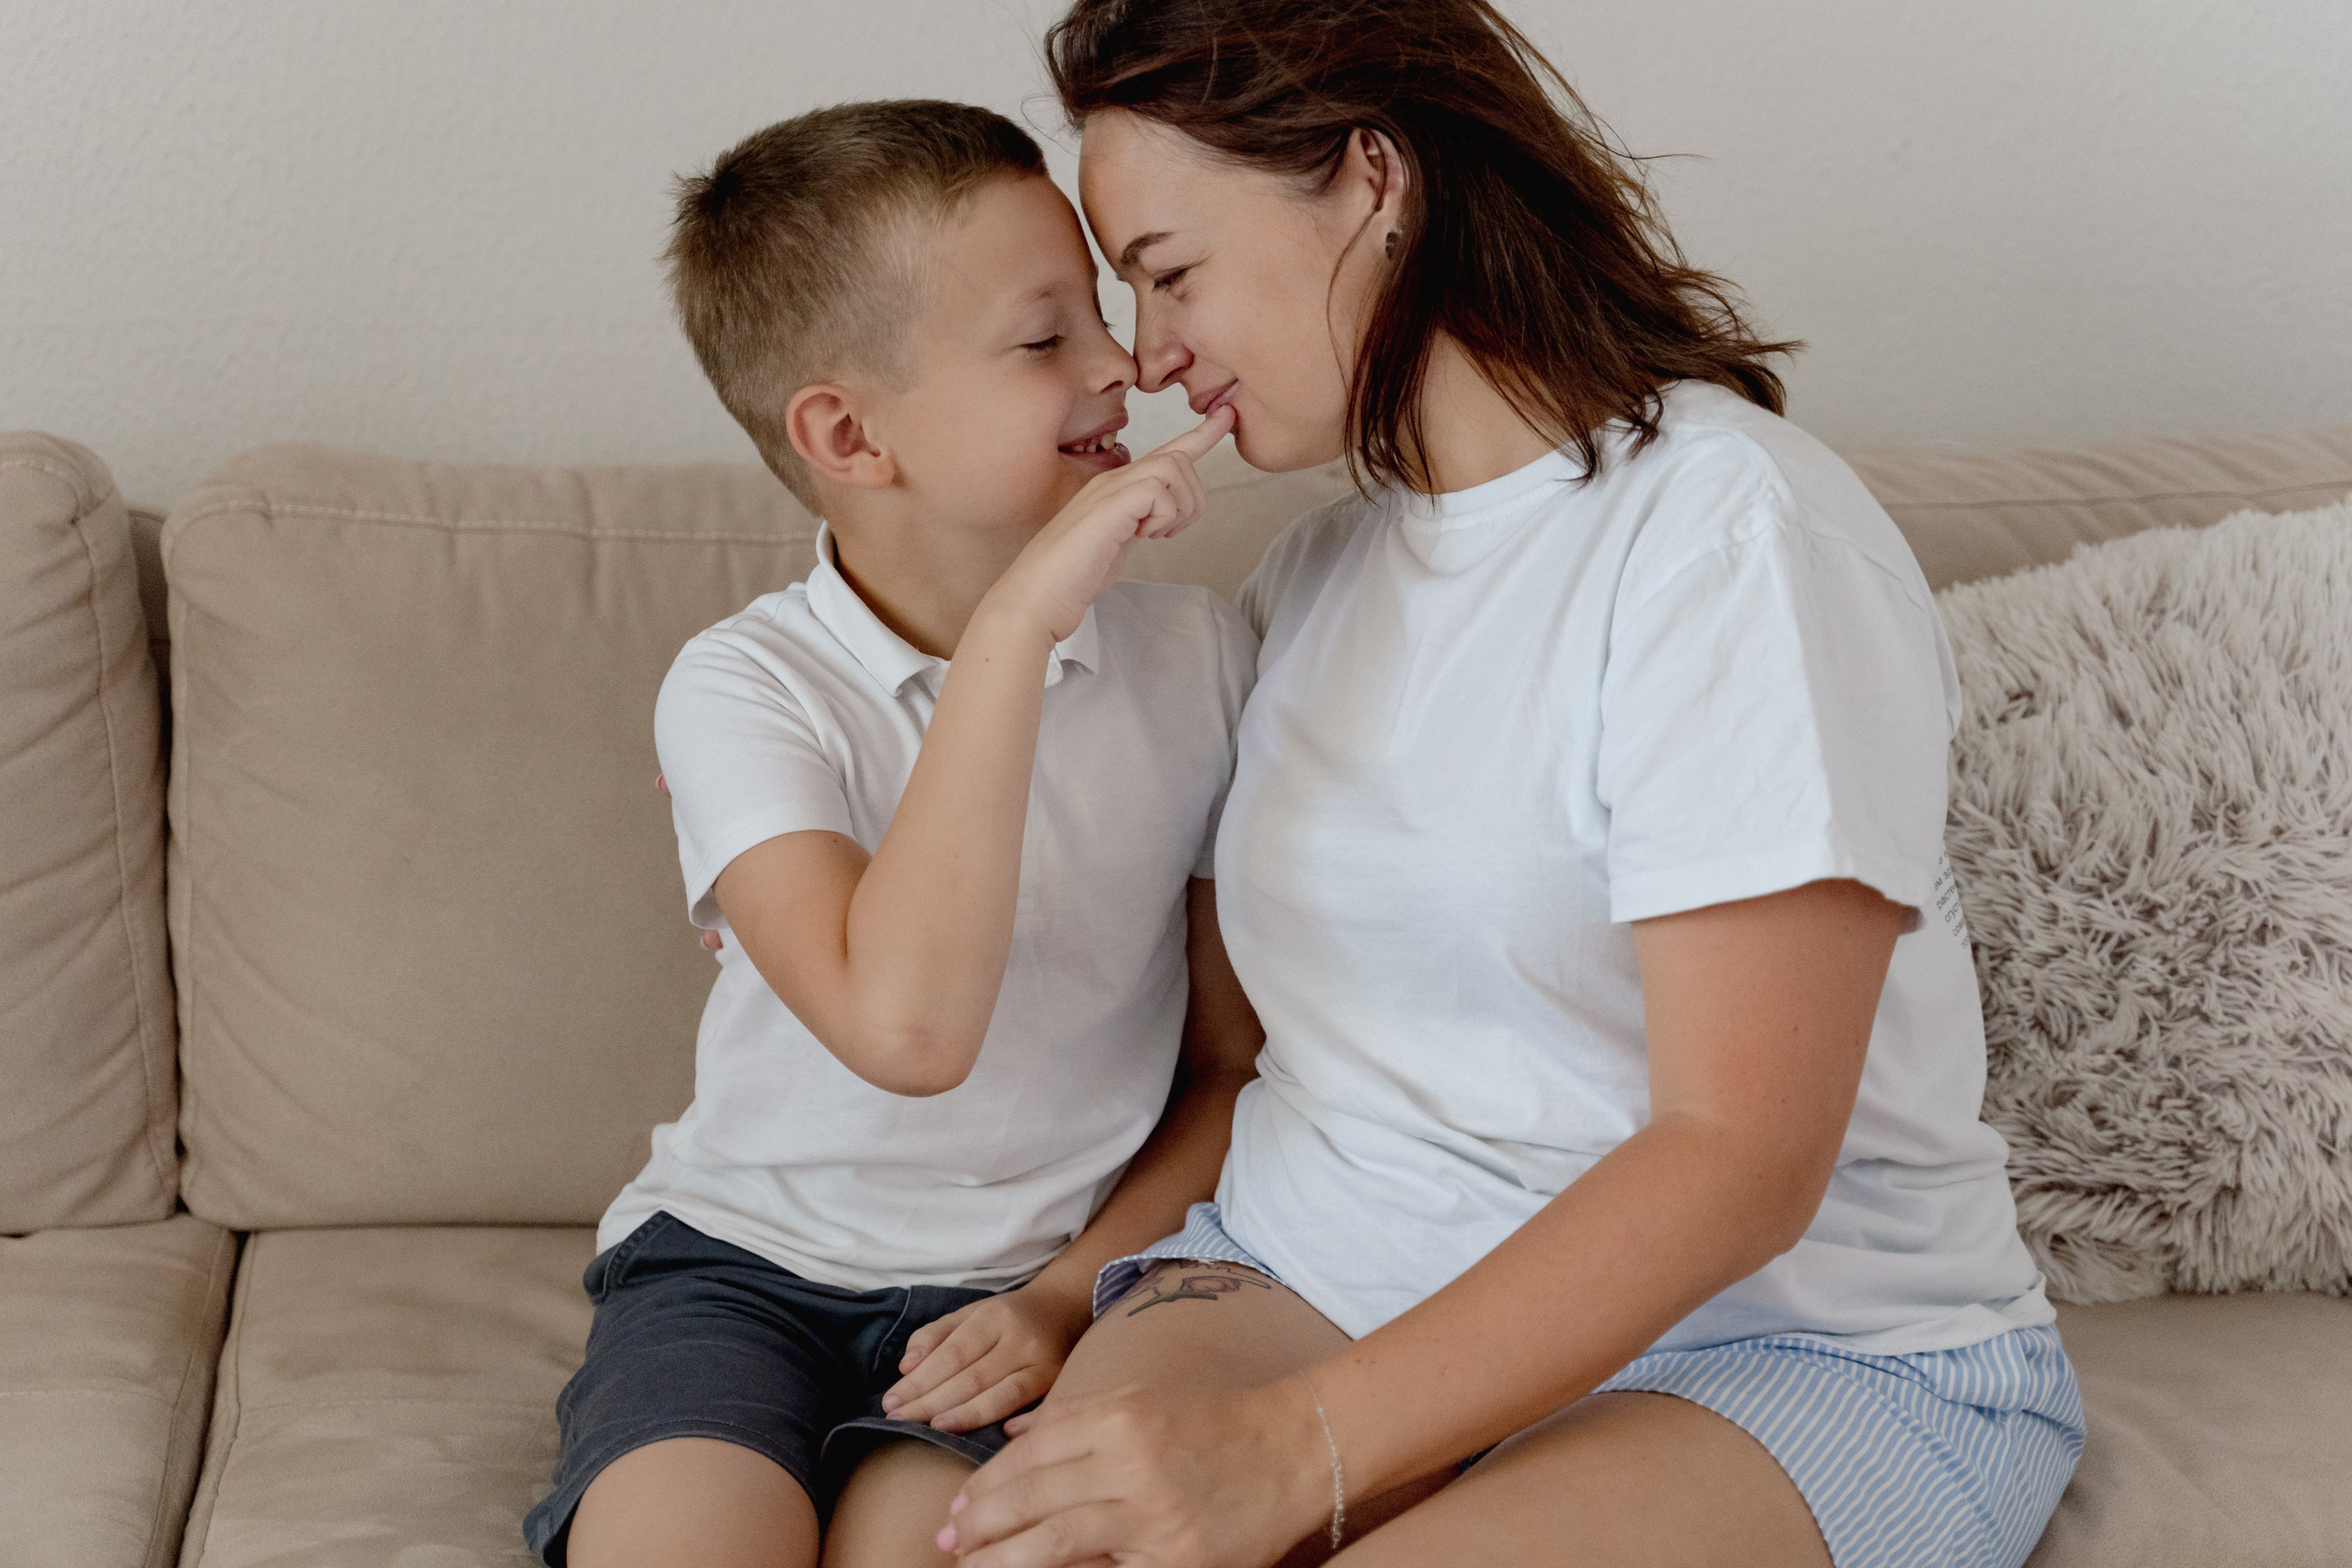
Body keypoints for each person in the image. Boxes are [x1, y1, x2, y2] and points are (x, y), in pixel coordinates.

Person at [936, 5, 2086, 1566]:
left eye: (1171, 270)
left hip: (1784, 1345)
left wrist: (1291, 1453)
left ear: (1373, 179)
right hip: (1313, 1271)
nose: (1146, 357)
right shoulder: (1309, 580)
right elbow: (1214, 1043)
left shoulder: (1728, 535)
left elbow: (1737, 1157)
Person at [522, 100, 1260, 1568]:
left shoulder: (1201, 665)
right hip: (736, 1275)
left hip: (1036, 1291)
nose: (1124, 363)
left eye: (1103, 315)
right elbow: (907, 1031)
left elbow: (1236, 1073)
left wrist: (1062, 1300)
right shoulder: (741, 690)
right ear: (849, 432)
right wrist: (1016, 634)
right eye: (1046, 339)